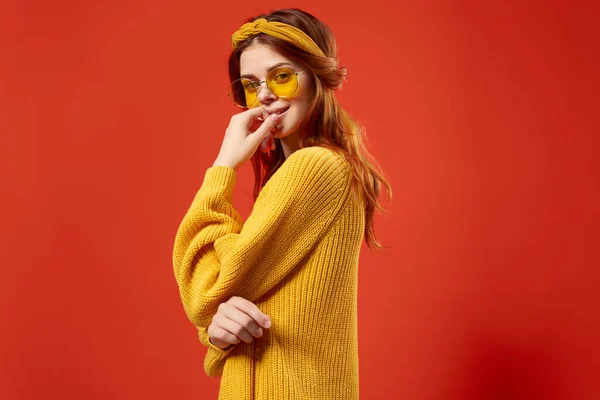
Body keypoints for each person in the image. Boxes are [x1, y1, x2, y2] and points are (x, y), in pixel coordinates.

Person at [172, 8, 391, 399]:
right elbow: (235, 306)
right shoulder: (310, 170)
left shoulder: (313, 167)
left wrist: (223, 165)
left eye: (282, 76)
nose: (266, 94)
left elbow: (205, 290)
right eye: (251, 84)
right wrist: (217, 332)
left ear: (317, 78)